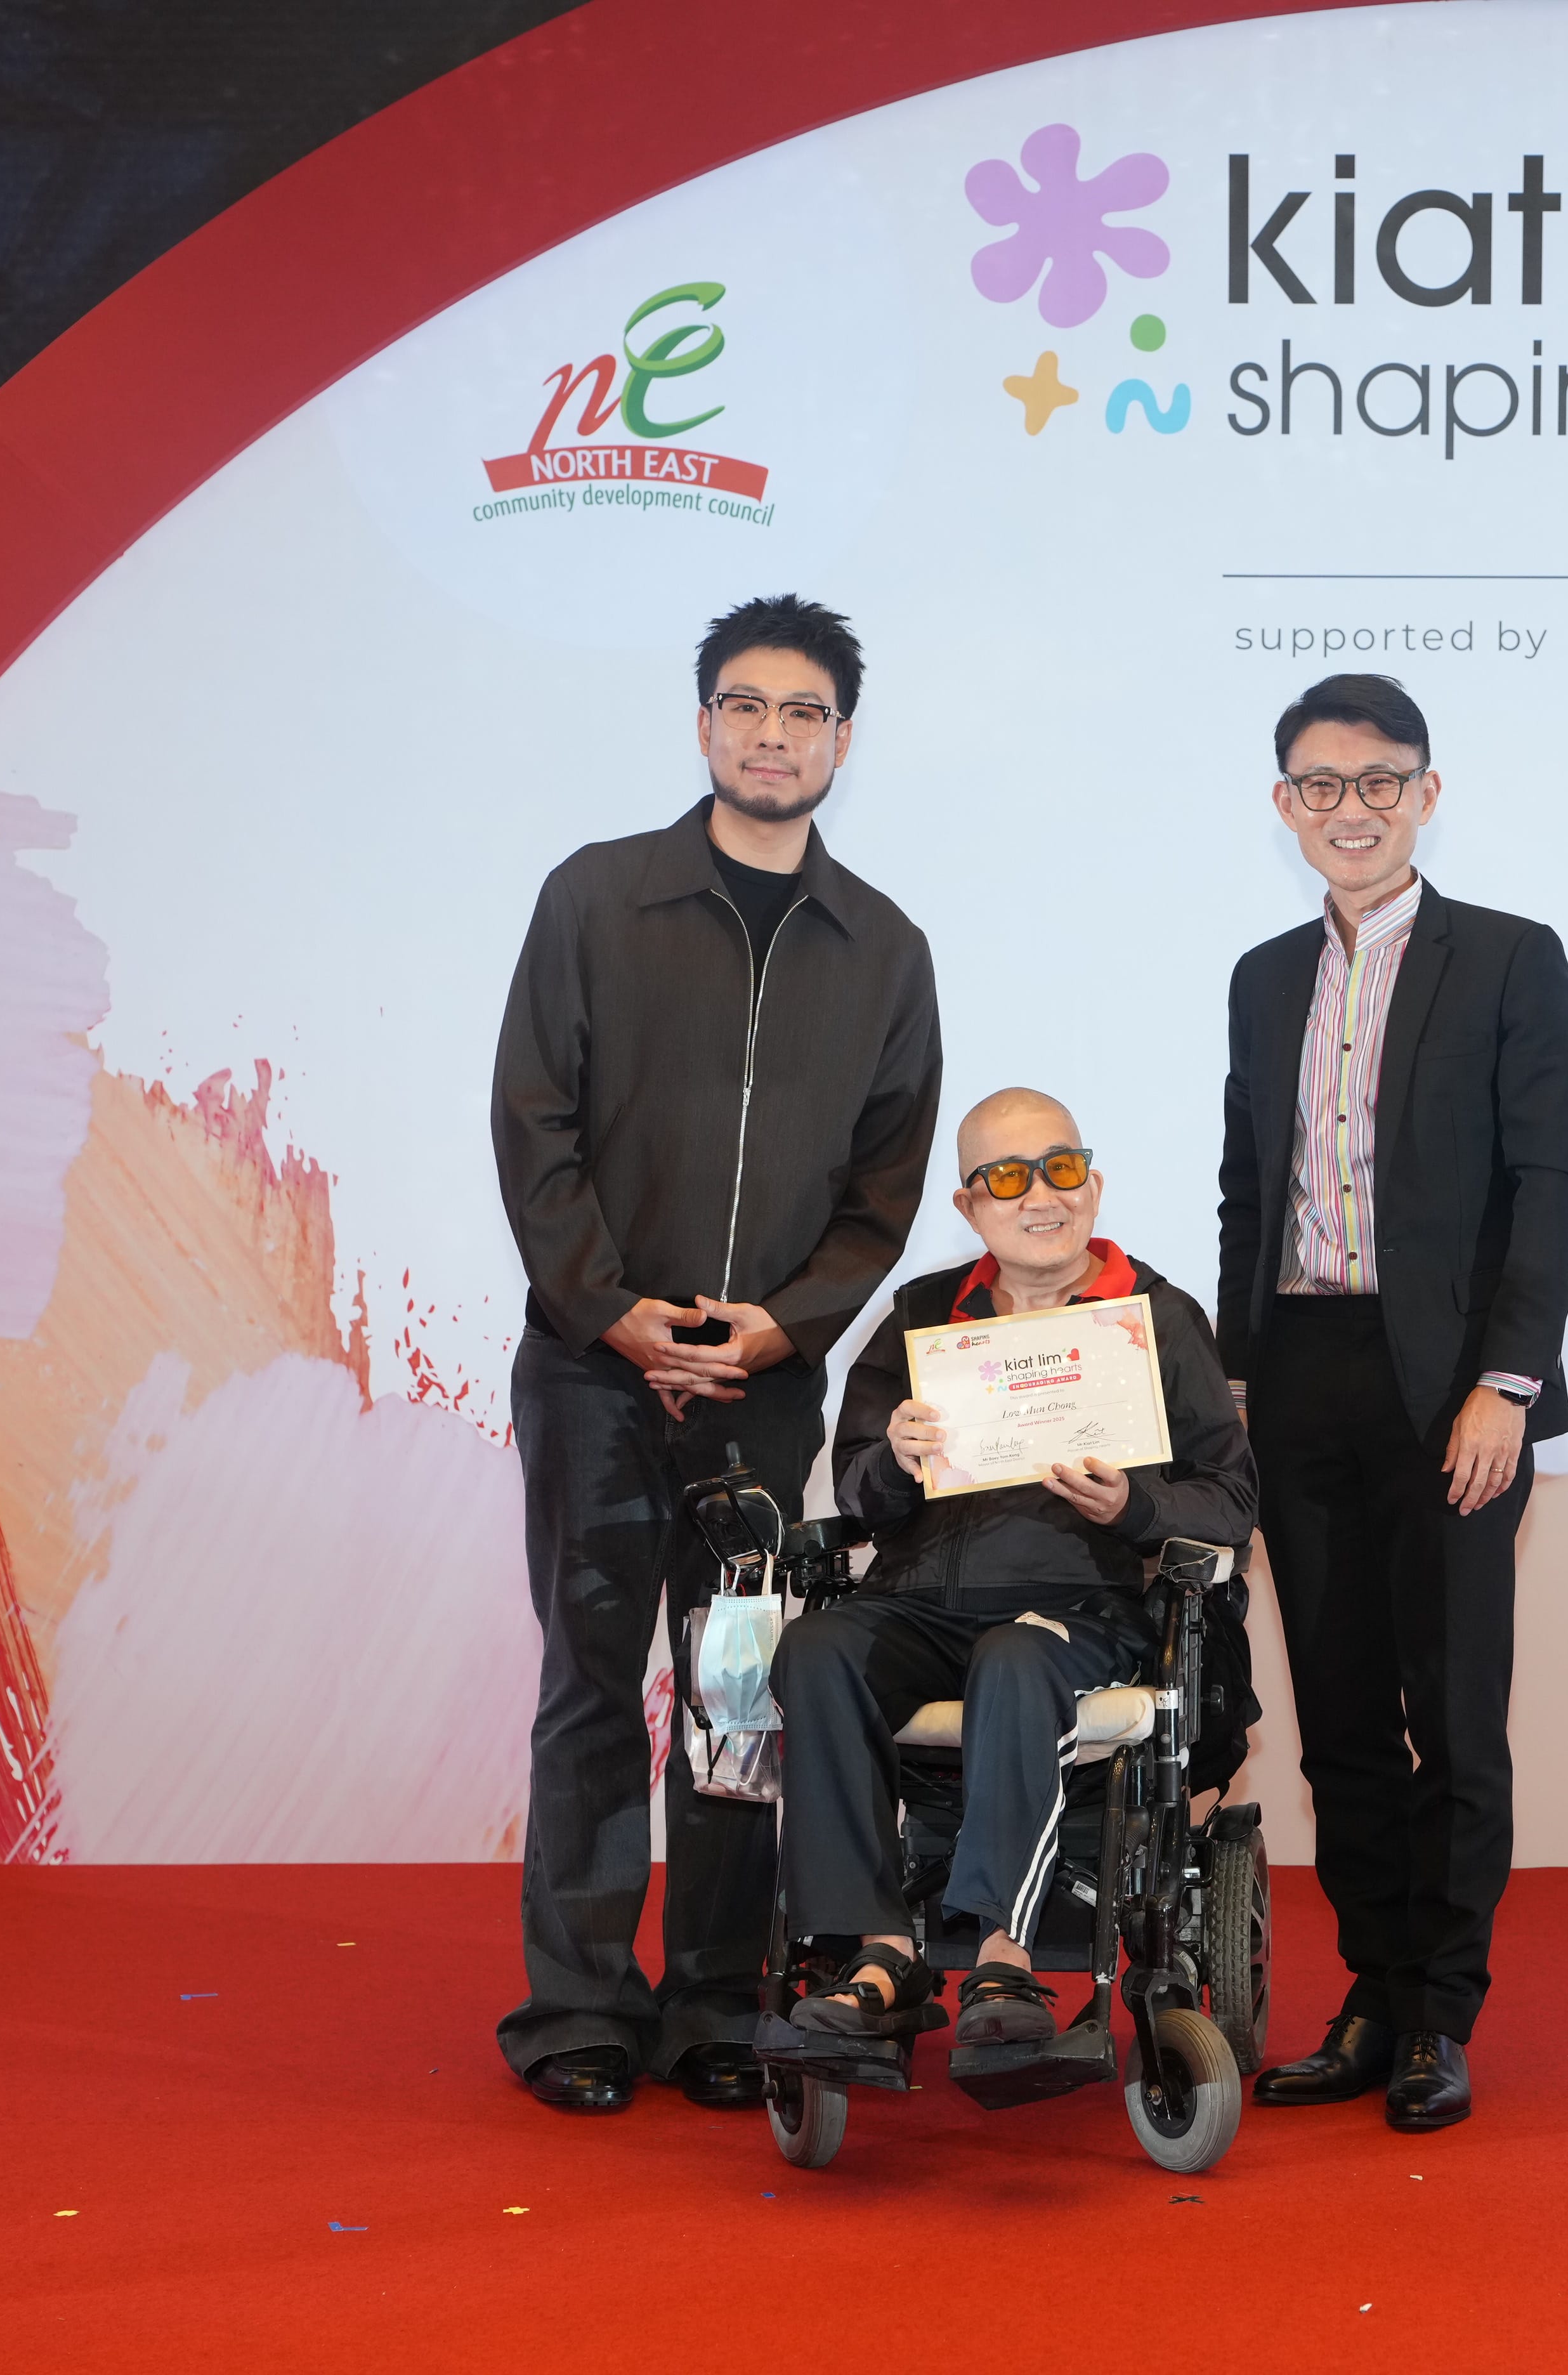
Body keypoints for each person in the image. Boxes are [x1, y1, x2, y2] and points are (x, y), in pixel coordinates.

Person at [488, 594, 943, 2115]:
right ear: (702, 725)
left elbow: (885, 1189)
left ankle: (712, 2004)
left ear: (842, 743)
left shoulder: (884, 949)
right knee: (592, 1683)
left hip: (762, 1388)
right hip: (592, 1371)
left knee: (735, 1695)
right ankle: (578, 2008)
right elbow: (534, 1120)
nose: (771, 735)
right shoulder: (598, 898)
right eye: (745, 706)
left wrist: (781, 1327)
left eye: (803, 713)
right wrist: (610, 1308)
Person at [1218, 672, 1568, 2131]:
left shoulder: (1508, 959)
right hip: (1300, 1375)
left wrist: (1508, 1383)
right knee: (1340, 1722)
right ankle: (1372, 1998)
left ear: (1427, 794)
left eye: (1380, 781)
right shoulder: (1263, 977)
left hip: (1450, 1388)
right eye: (1322, 785)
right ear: (1285, 806)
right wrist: (1237, 1376)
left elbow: (1551, 1184)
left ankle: (1442, 2013)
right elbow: (1251, 1188)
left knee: (1454, 1715)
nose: (1352, 809)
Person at [774, 1089, 1258, 2045]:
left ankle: (1005, 1956)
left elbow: (1232, 1500)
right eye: (1007, 1178)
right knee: (816, 1649)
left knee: (1016, 1656)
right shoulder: (922, 1316)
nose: (1042, 1195)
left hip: (1082, 1609)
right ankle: (882, 1951)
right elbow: (858, 1490)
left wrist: (1136, 1508)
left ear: (1093, 1183)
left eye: (1061, 1168)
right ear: (969, 1207)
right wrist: (895, 1461)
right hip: (920, 1600)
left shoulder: (1156, 1317)